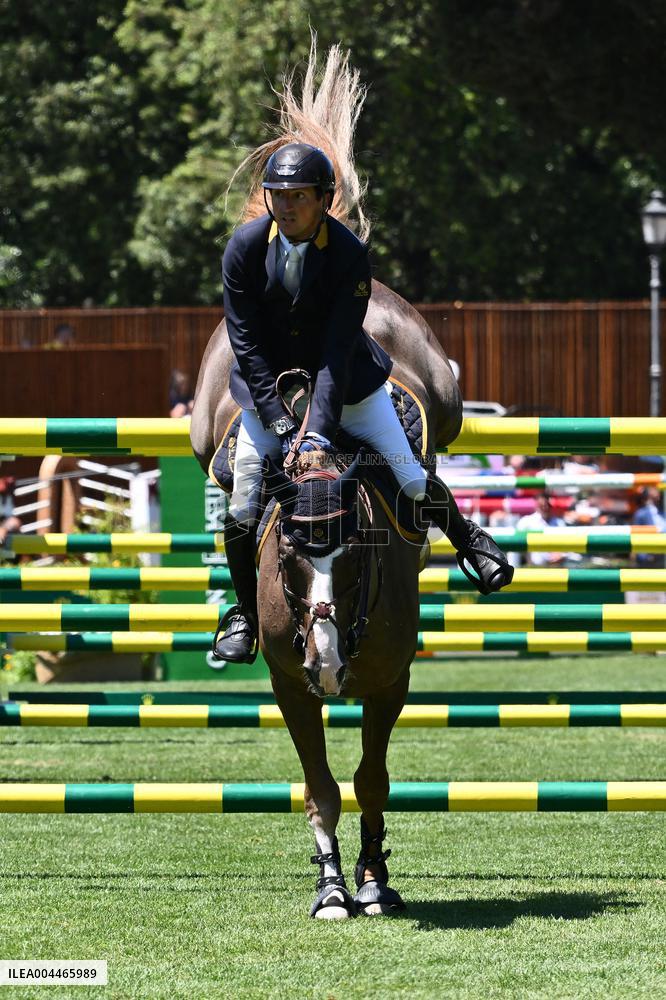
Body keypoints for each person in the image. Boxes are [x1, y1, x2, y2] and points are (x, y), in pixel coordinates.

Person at [213, 142, 513, 662]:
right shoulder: (242, 249)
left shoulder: (349, 254)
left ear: (324, 199)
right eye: (277, 195)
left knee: (411, 477)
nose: (285, 206)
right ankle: (242, 610)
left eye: (299, 196)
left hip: (350, 386)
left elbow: (336, 352)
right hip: (269, 394)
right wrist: (283, 426)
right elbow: (244, 342)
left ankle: (470, 542)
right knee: (241, 502)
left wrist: (317, 433)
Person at [515, 492, 566, 566]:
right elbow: (517, 543)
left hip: (556, 567)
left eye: (547, 505)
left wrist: (561, 554)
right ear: (536, 505)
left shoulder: (560, 523)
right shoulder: (526, 521)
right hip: (533, 567)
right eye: (541, 505)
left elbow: (565, 544)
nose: (545, 508)